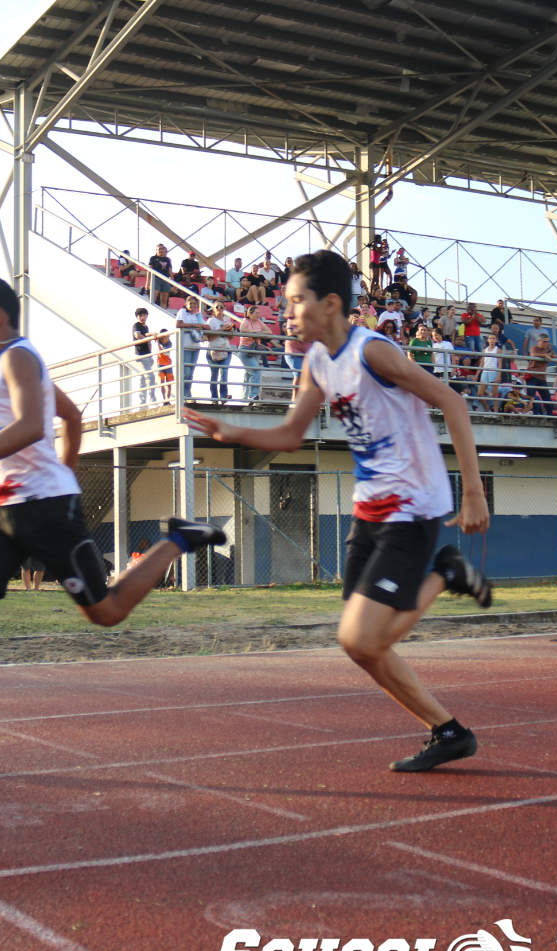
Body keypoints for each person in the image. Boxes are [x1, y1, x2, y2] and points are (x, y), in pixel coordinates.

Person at [0, 277, 226, 757]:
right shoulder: (15, 367)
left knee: (107, 613)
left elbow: (34, 427)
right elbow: (70, 419)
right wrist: (61, 473)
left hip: (45, 511)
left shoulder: (18, 356)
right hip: (5, 510)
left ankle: (179, 539)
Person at [183, 250, 492, 773]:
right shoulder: (317, 362)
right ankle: (449, 731)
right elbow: (288, 433)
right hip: (368, 509)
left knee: (361, 637)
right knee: (364, 645)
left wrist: (473, 491)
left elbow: (452, 402)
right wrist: (229, 430)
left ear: (330, 304)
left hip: (412, 505)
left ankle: (442, 572)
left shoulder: (373, 353)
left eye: (297, 301)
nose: (288, 312)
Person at [131, 307, 155, 406]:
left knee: (143, 379)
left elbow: (147, 339)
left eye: (144, 315)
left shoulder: (146, 327)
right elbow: (137, 335)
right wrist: (147, 338)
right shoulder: (136, 325)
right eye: (140, 315)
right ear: (137, 317)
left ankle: (142, 402)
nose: (142, 317)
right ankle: (153, 400)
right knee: (150, 377)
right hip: (140, 354)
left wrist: (151, 353)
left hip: (147, 355)